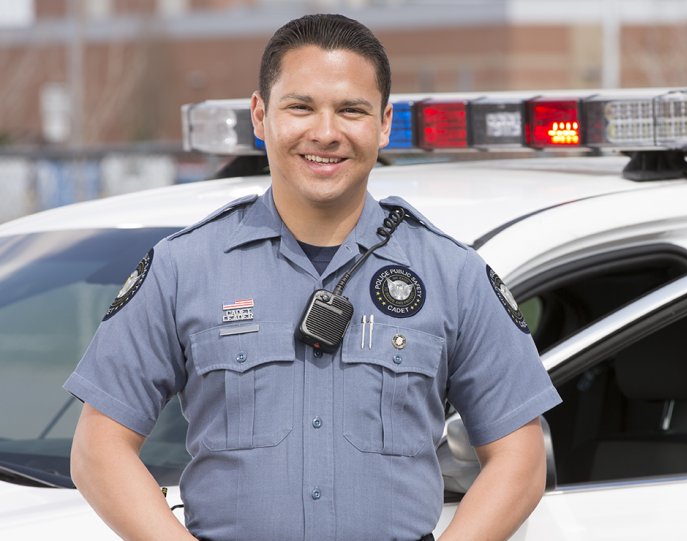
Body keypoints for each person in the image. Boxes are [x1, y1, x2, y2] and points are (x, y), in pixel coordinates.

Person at [64, 13, 561, 541]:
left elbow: (520, 456)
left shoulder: (452, 274)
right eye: (300, 106)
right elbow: (99, 449)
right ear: (260, 115)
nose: (325, 133)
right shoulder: (183, 268)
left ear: (385, 122)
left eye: (352, 110)